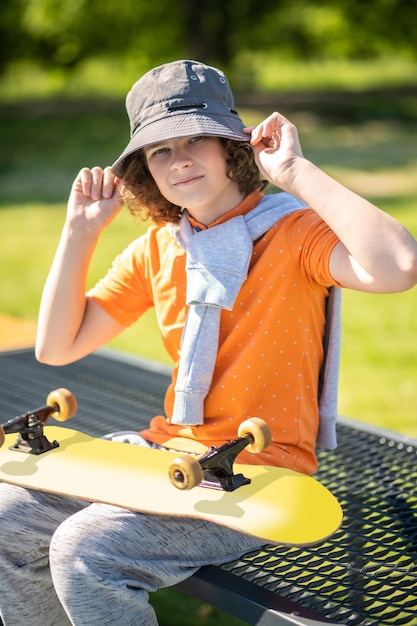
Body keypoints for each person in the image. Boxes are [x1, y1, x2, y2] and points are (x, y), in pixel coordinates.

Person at [0, 59, 416, 626]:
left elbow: (398, 265)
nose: (180, 160)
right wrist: (79, 233)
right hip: (165, 452)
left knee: (87, 548)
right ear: (146, 170)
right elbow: (56, 347)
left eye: (197, 139)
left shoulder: (292, 233)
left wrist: (295, 171)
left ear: (234, 148)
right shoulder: (161, 246)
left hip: (255, 473)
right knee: (6, 519)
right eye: (160, 151)